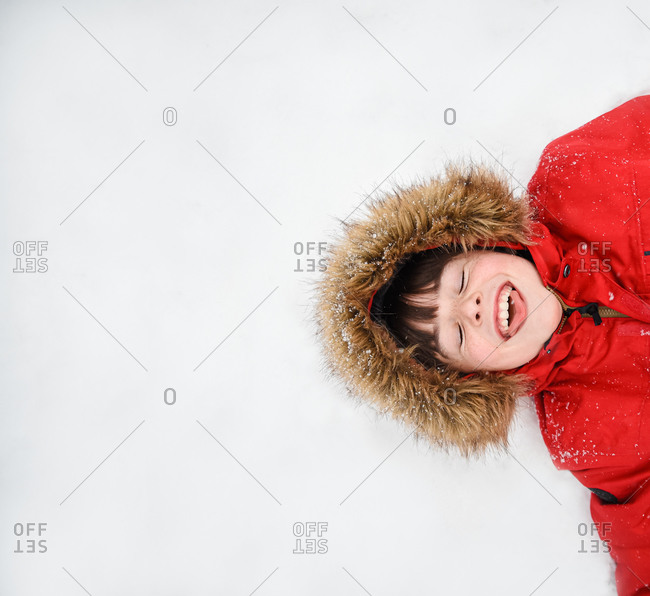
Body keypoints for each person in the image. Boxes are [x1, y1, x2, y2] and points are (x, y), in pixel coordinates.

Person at [313, 94, 650, 595]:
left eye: (462, 279)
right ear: (476, 377)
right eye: (459, 334)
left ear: (488, 241)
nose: (471, 307)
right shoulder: (584, 428)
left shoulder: (580, 173)